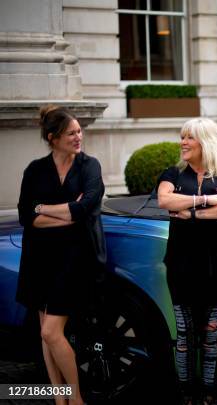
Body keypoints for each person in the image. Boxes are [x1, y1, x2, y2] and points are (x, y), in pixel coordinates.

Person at [17, 105, 106, 405]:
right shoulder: (35, 170)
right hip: (39, 258)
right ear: (53, 138)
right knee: (46, 333)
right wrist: (61, 213)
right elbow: (25, 216)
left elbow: (84, 209)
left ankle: (76, 398)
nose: (79, 137)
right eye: (71, 133)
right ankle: (59, 397)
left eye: (80, 131)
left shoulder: (90, 166)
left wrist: (43, 209)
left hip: (74, 259)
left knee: (52, 331)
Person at [157, 118, 217, 405]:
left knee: (210, 332)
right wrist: (207, 201)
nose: (182, 142)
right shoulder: (173, 173)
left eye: (189, 138)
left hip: (215, 264)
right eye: (182, 137)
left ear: (205, 141)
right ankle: (185, 394)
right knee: (184, 334)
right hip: (180, 264)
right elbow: (165, 201)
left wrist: (192, 212)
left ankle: (208, 393)